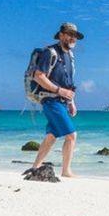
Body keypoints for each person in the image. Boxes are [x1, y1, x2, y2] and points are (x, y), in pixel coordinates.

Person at [30, 22, 84, 177]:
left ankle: (35, 167)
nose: (73, 38)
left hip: (61, 102)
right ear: (61, 35)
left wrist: (71, 102)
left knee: (51, 136)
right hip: (50, 100)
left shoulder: (70, 57)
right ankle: (66, 171)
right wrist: (60, 91)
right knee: (71, 135)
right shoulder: (50, 52)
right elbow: (39, 76)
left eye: (75, 36)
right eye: (69, 34)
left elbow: (68, 83)